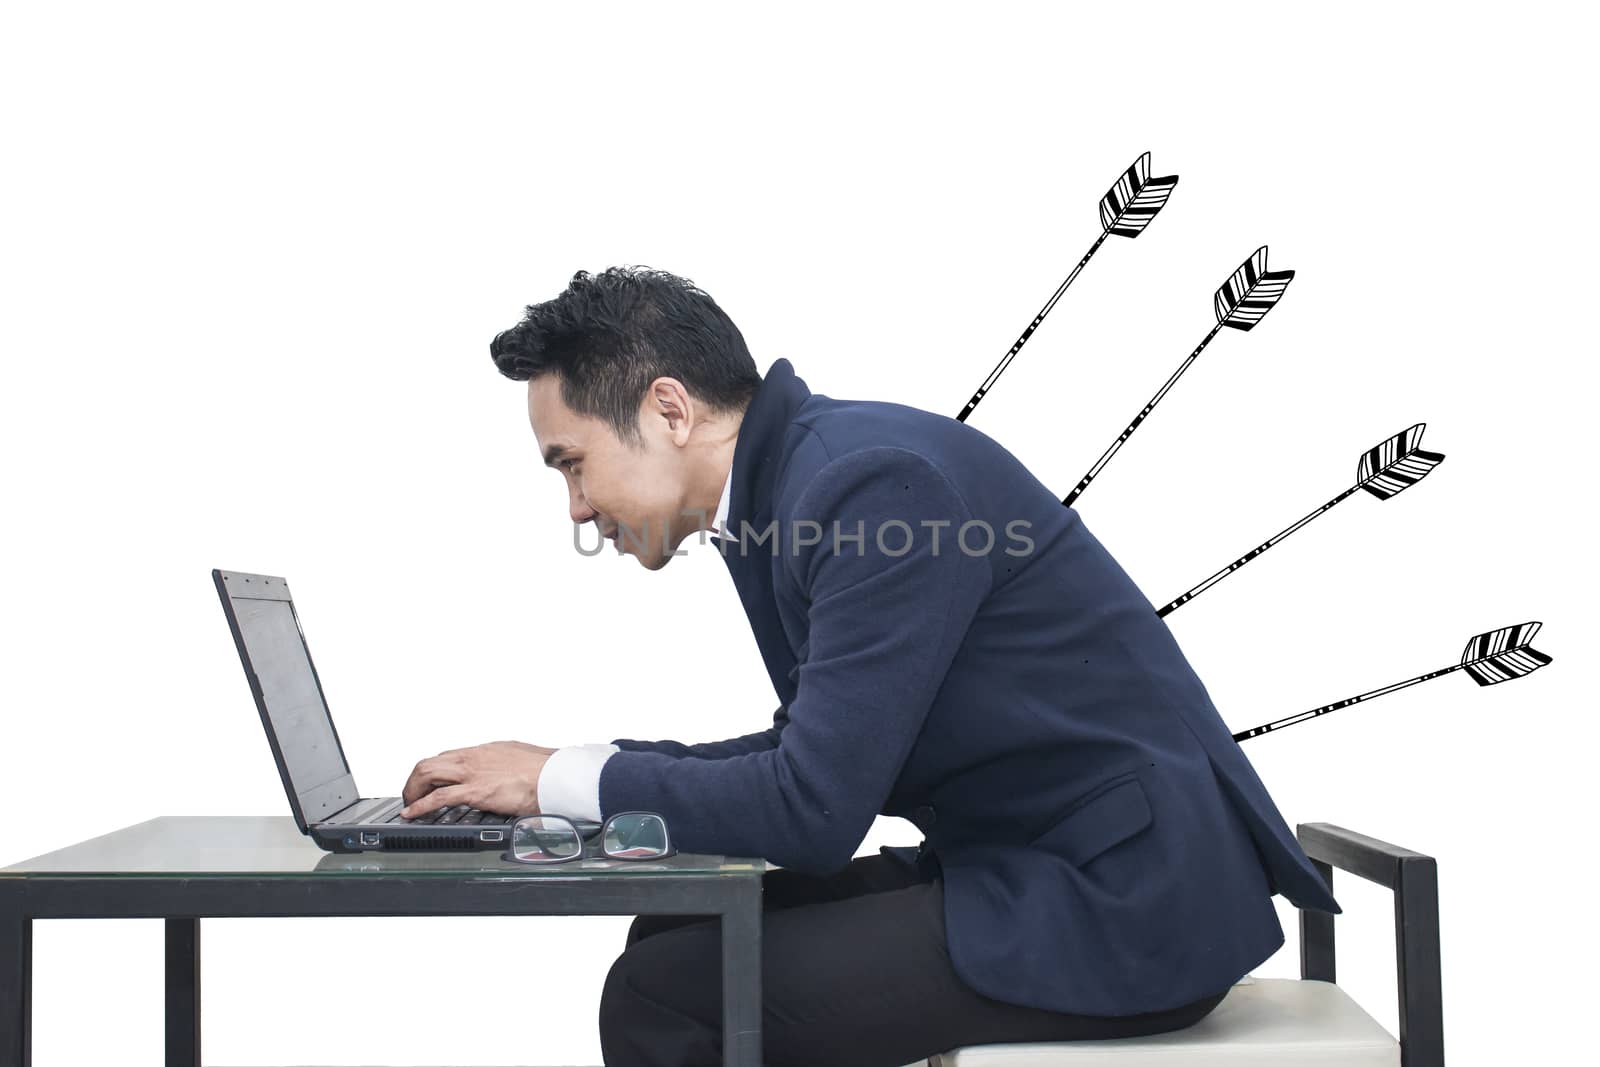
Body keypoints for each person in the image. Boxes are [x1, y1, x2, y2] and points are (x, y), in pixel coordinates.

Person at [398, 265, 1341, 1067]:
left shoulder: (868, 485)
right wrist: (556, 771)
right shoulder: (796, 484)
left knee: (663, 993)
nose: (575, 506)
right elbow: (808, 746)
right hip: (1043, 860)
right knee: (677, 933)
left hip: (1124, 900)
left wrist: (560, 779)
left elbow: (813, 808)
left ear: (670, 408)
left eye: (572, 463)